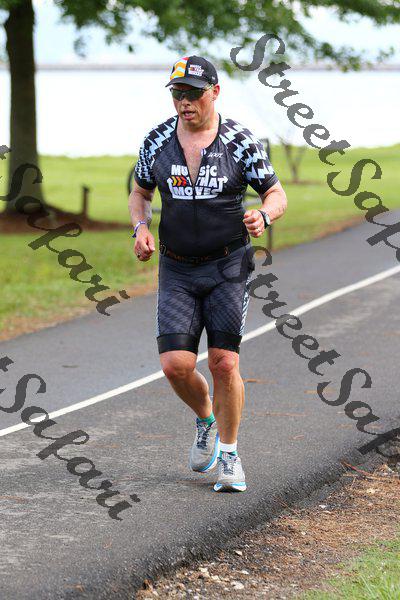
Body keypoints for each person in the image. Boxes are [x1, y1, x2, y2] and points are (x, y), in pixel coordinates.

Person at [129, 55, 287, 492]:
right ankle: (206, 421)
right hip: (177, 268)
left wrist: (263, 215)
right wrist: (140, 227)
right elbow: (140, 193)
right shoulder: (157, 141)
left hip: (227, 266)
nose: (184, 102)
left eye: (193, 93)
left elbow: (276, 193)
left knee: (223, 361)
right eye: (177, 94)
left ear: (214, 92)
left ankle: (230, 455)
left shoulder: (239, 140)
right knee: (175, 365)